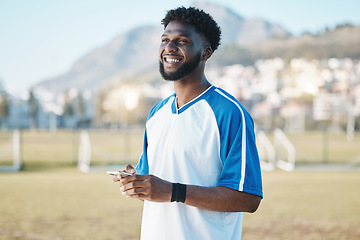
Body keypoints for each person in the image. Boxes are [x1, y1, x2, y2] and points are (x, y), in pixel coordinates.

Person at [113, 6, 263, 240]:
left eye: (182, 41)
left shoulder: (229, 113)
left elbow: (248, 198)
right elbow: (155, 188)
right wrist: (136, 183)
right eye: (165, 39)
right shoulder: (156, 114)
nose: (169, 47)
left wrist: (173, 191)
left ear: (206, 53)